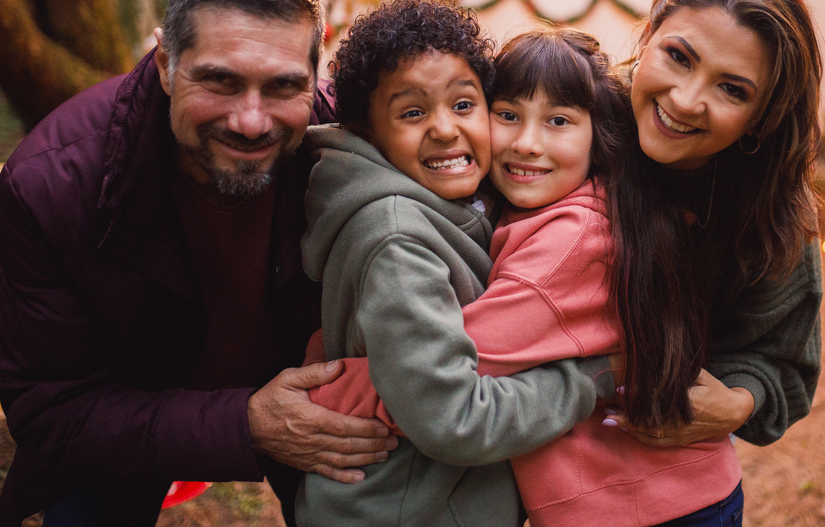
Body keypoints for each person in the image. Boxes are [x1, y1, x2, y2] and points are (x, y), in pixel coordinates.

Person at [0, 0, 396, 527]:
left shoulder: (354, 146)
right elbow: (51, 407)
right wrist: (246, 423)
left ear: (316, 75)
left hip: (320, 403)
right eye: (221, 82)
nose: (251, 120)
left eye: (283, 87)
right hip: (129, 414)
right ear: (164, 64)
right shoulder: (53, 185)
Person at [313, 26, 745, 526]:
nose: (527, 143)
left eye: (558, 121)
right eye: (508, 115)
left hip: (653, 507)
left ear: (597, 137)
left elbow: (448, 376)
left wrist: (321, 392)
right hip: (645, 498)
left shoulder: (569, 245)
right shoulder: (548, 211)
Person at [296, 0, 614, 527]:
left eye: (464, 105)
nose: (445, 129)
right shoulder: (398, 241)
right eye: (413, 112)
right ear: (367, 132)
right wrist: (590, 379)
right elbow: (455, 419)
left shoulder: (458, 204)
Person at [602, 0, 825, 525]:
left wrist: (737, 402)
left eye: (731, 89)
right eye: (678, 56)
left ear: (761, 116)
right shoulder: (568, 123)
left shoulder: (770, 211)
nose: (685, 99)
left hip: (675, 494)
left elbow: (784, 359)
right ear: (649, 34)